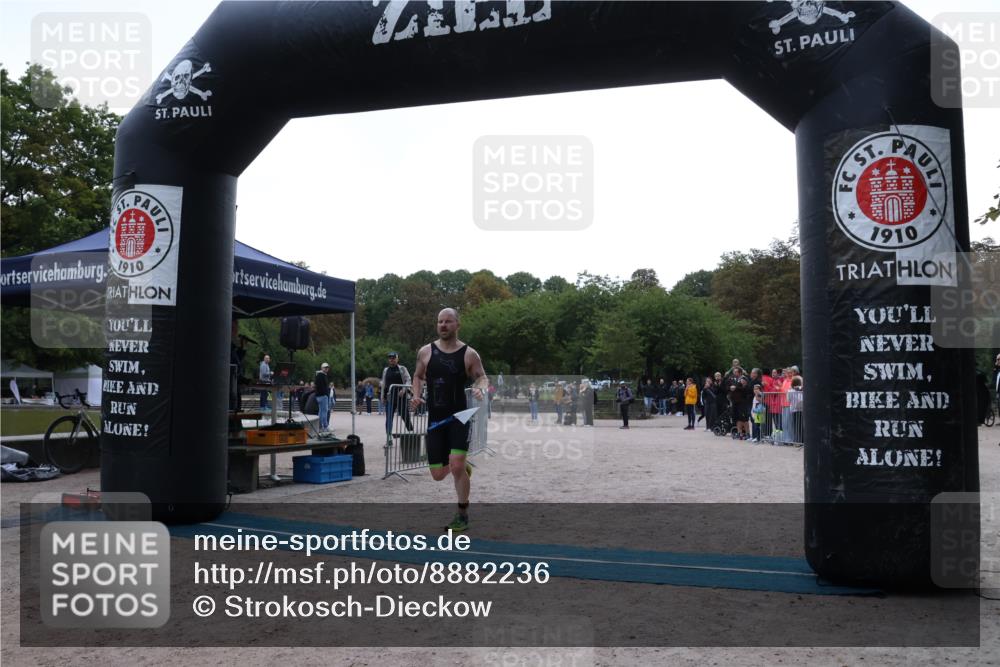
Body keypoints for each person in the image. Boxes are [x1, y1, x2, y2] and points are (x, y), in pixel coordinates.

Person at [410, 308, 488, 533]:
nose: (443, 325)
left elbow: (482, 377)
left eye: (448, 321)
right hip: (435, 419)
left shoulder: (469, 354)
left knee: (455, 465)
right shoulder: (426, 352)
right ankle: (464, 468)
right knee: (437, 474)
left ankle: (462, 514)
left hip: (459, 418)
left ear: (457, 325)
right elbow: (417, 375)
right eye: (440, 322)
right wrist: (416, 395)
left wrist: (480, 389)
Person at [381, 352, 412, 434]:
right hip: (389, 398)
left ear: (397, 359)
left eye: (394, 358)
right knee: (389, 419)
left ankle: (411, 433)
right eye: (390, 358)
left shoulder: (402, 368)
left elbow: (408, 379)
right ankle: (389, 439)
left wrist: (404, 389)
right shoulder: (385, 370)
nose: (392, 360)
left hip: (401, 397)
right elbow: (384, 384)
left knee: (405, 416)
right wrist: (382, 397)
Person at [314, 362, 331, 432]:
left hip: (318, 396)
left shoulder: (318, 375)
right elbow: (323, 387)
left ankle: (319, 427)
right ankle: (325, 426)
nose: (327, 369)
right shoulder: (322, 375)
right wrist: (326, 394)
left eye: (327, 367)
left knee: (320, 412)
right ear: (322, 368)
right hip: (323, 396)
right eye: (325, 367)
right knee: (324, 412)